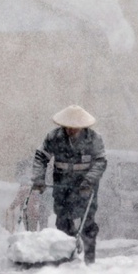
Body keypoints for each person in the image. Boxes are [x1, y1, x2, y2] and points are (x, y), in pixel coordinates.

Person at [30, 105, 107, 264]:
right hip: (62, 185)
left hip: (86, 185)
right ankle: (68, 253)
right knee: (62, 220)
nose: (71, 130)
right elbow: (40, 158)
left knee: (87, 222)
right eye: (68, 127)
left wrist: (89, 181)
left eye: (75, 128)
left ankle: (89, 259)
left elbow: (100, 162)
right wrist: (38, 179)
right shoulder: (53, 137)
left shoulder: (93, 139)